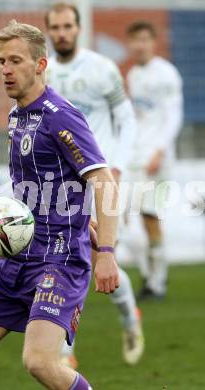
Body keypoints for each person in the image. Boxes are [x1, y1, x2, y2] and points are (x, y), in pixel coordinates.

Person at [0, 20, 120, 390]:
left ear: (40, 66)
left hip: (58, 260)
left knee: (39, 362)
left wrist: (106, 250)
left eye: (16, 61)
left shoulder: (60, 115)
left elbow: (102, 180)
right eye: (1, 61)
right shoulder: (16, 116)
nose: (6, 70)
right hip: (15, 256)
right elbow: (41, 185)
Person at [45, 2, 144, 366]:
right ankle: (65, 350)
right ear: (48, 31)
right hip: (62, 187)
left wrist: (116, 167)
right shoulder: (44, 73)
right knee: (65, 257)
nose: (62, 33)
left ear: (78, 27)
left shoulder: (102, 69)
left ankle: (129, 317)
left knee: (104, 254)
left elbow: (127, 119)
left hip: (100, 179)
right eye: (55, 27)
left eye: (68, 26)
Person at [126, 21, 183, 300]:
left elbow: (174, 115)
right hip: (136, 156)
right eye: (135, 40)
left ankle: (157, 281)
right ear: (130, 44)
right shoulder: (133, 74)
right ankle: (150, 276)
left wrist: (159, 150)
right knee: (123, 217)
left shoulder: (166, 73)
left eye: (145, 39)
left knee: (150, 216)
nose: (140, 45)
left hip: (158, 158)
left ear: (153, 42)